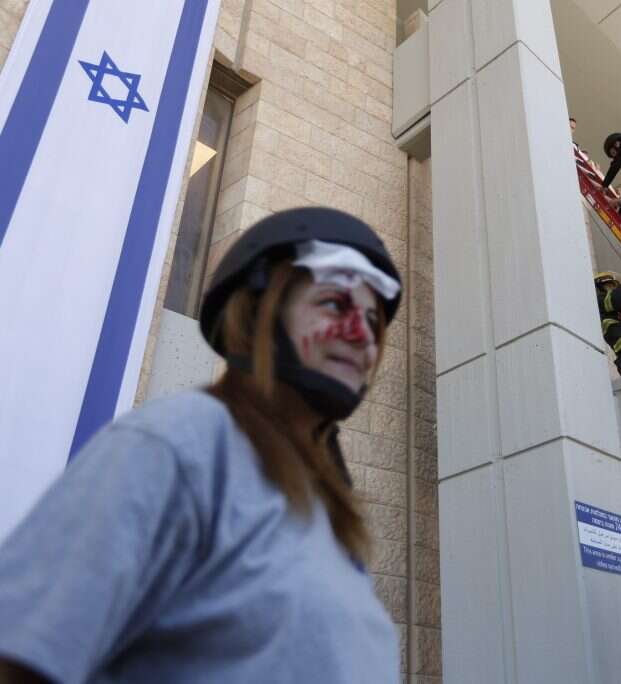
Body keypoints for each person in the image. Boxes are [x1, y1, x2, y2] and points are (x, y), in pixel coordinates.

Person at [0, 207, 403, 683]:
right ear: (255, 314)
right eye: (335, 305)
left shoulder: (326, 512)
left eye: (373, 319)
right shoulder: (180, 443)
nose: (362, 337)